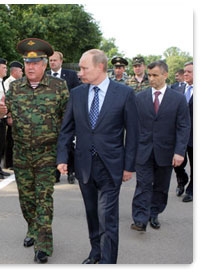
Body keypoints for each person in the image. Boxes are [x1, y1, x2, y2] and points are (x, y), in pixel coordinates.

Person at [57, 49, 139, 264]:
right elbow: (67, 129)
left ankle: (108, 261)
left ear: (100, 67)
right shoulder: (77, 94)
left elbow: (133, 132)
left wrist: (129, 166)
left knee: (107, 216)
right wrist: (62, 158)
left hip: (111, 165)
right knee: (92, 213)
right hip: (84, 164)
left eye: (84, 68)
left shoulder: (124, 94)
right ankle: (95, 252)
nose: (80, 73)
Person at [0, 38, 69, 263]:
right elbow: (4, 115)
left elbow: (67, 120)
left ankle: (44, 244)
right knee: (26, 199)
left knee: (44, 198)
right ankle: (32, 229)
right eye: (27, 62)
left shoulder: (59, 87)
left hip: (47, 153)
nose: (31, 67)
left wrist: (65, 153)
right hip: (22, 153)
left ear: (45, 64)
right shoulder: (15, 87)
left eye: (35, 62)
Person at [131, 60, 190, 232]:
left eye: (155, 75)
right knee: (143, 184)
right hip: (143, 150)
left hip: (166, 151)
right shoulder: (139, 98)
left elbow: (183, 126)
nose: (151, 79)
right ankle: (140, 219)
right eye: (149, 75)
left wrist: (179, 152)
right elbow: (133, 126)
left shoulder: (178, 99)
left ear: (165, 75)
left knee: (161, 186)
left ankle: (154, 213)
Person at [48, 51, 80, 184]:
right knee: (53, 145)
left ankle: (71, 172)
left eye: (55, 60)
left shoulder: (71, 75)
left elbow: (77, 94)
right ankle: (55, 173)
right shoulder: (45, 76)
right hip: (51, 119)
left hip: (68, 116)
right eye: (50, 60)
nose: (52, 62)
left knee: (69, 145)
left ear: (61, 61)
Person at [173, 62, 193, 202]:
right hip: (178, 133)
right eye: (185, 71)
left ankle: (192, 190)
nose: (185, 74)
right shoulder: (176, 89)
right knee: (177, 162)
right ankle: (182, 179)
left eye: (189, 72)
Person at [3, 61, 24, 170]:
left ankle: (12, 162)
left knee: (14, 139)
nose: (22, 73)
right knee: (10, 140)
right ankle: (8, 163)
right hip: (12, 114)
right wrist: (10, 116)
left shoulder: (18, 82)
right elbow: (8, 101)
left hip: (18, 115)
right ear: (15, 71)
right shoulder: (9, 83)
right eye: (20, 71)